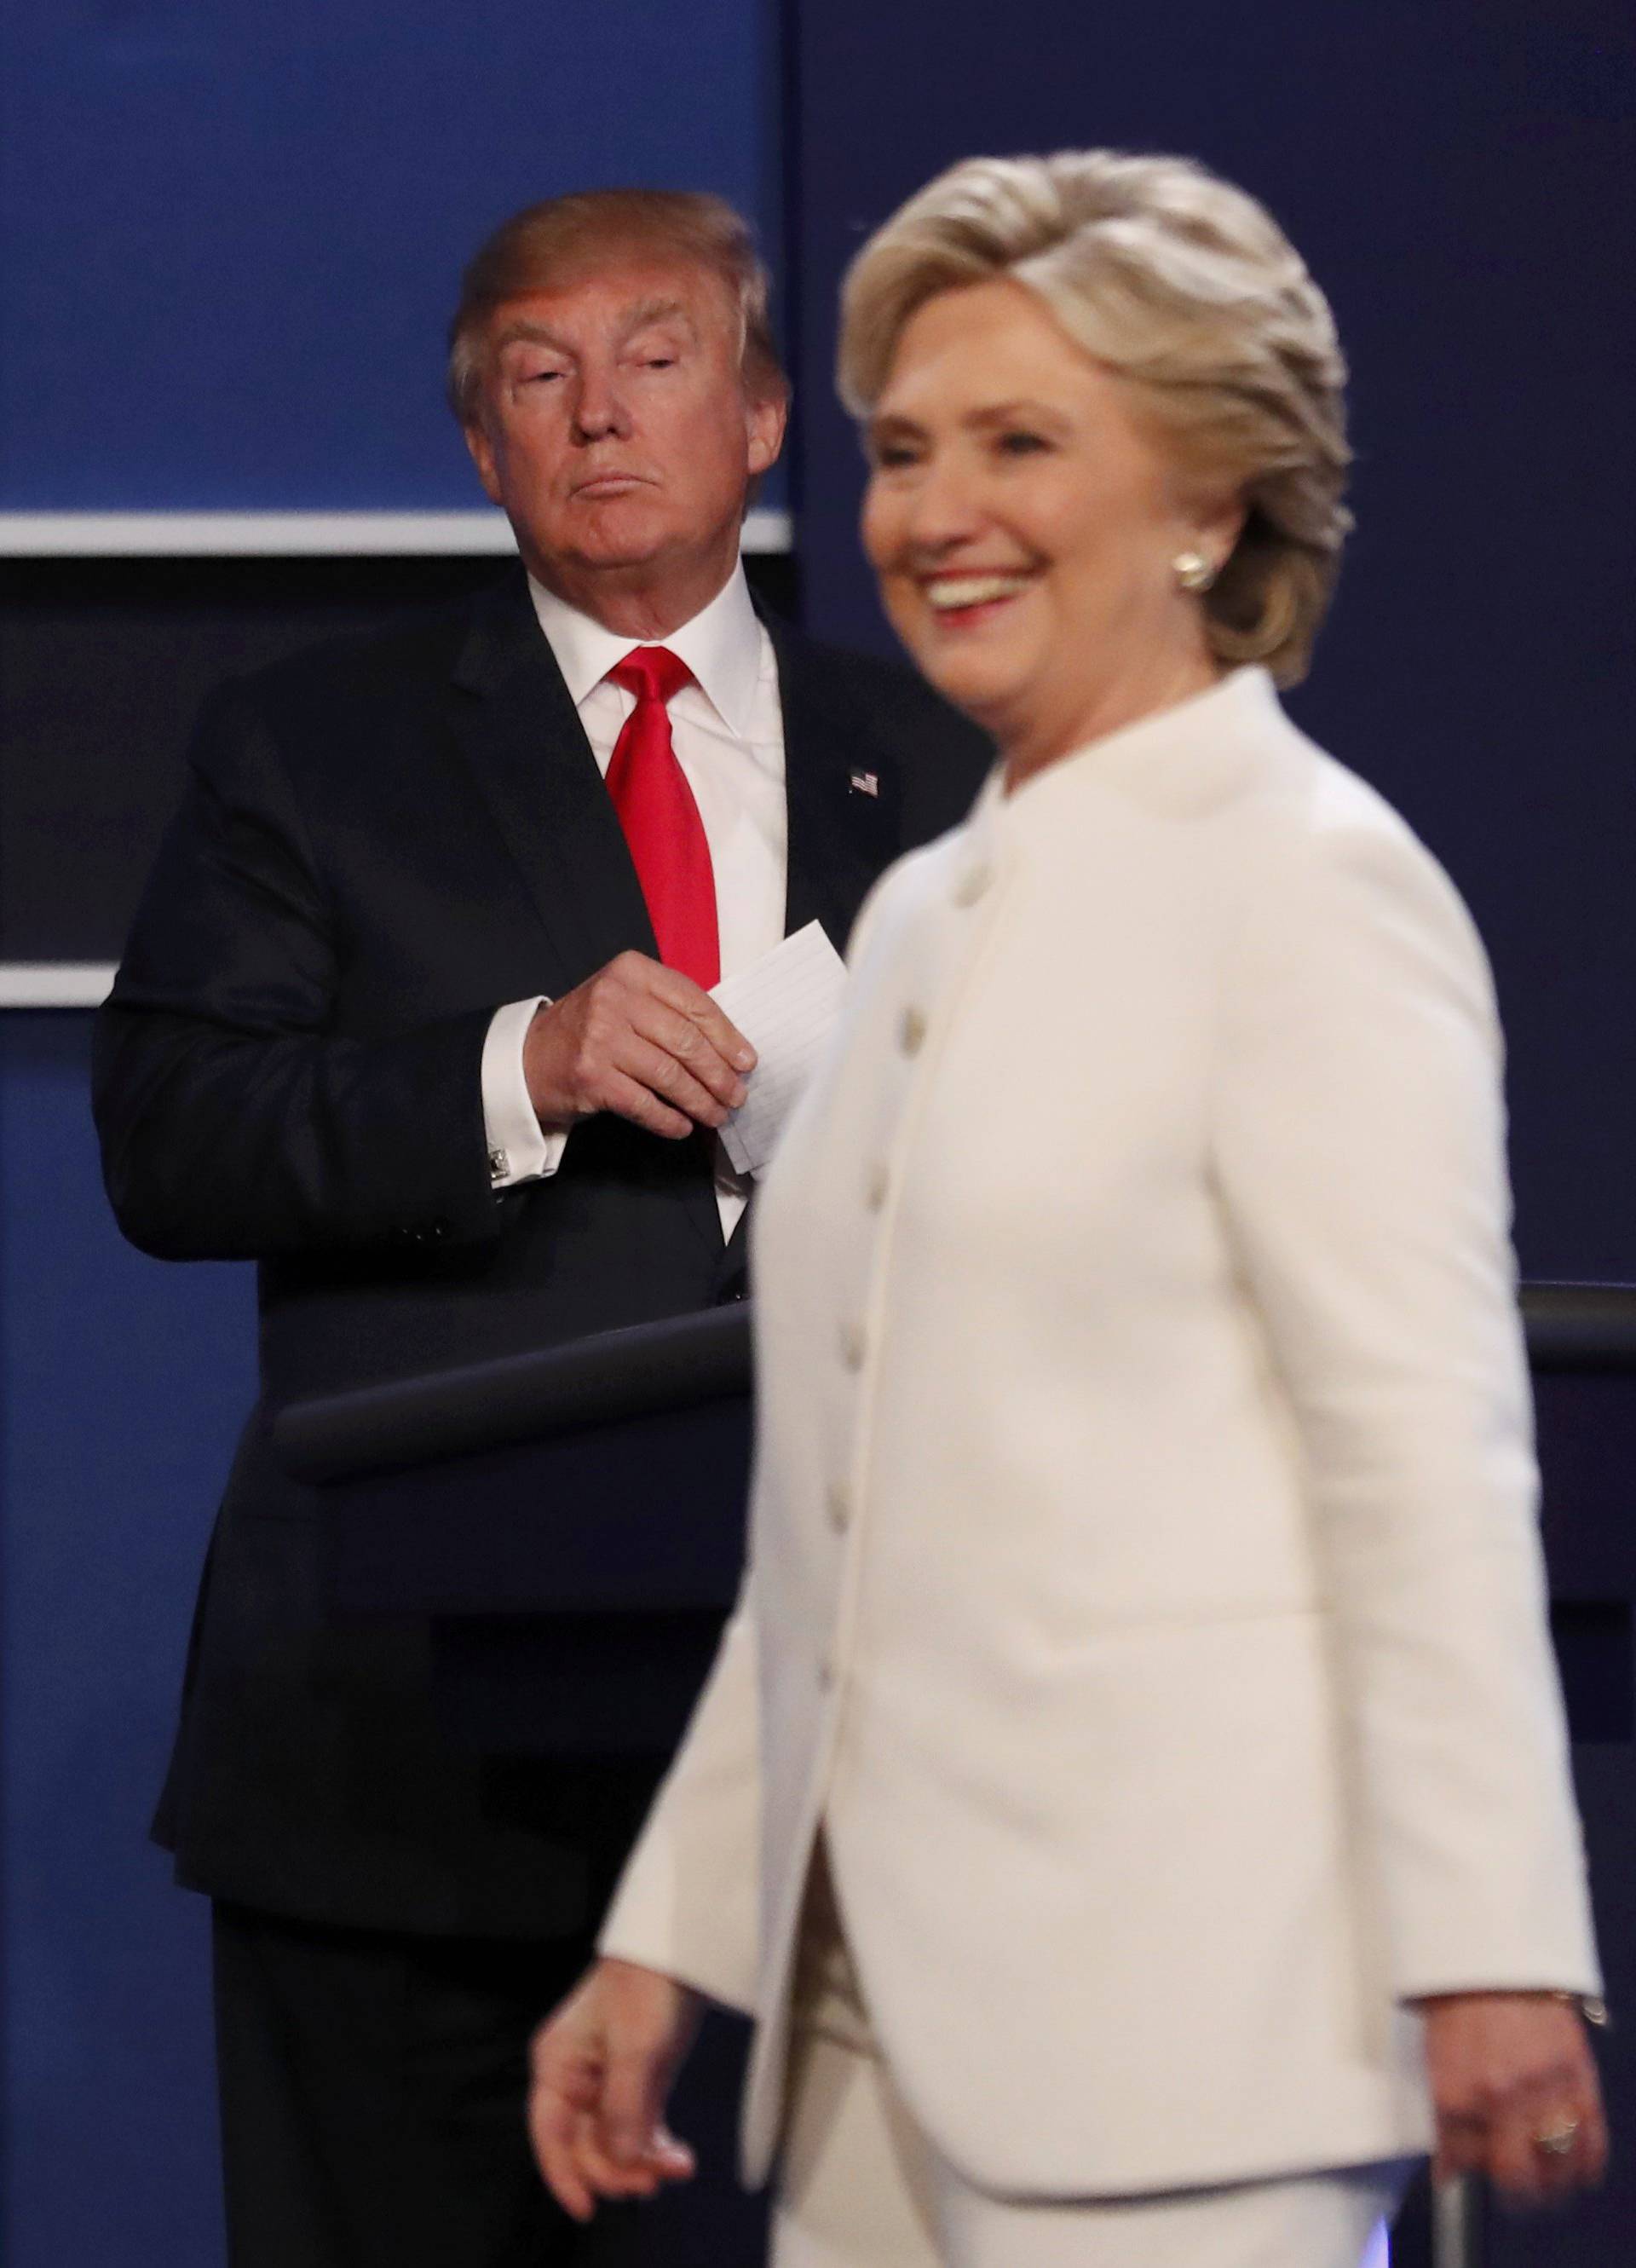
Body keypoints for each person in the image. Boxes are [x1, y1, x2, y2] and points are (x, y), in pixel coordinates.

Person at [527, 152, 1609, 2268]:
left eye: (1025, 441)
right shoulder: (929, 906)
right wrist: (671, 1937)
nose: (939, 513)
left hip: (1185, 2057)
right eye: (907, 450)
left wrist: (1491, 1939)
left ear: (1210, 497)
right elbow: (844, 1507)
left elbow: (1427, 1468)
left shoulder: (1307, 884)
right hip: (869, 2071)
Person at [92, 187, 990, 2268]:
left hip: (841, 1756)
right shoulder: (309, 748)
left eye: (657, 356)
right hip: (405, 1752)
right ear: (482, 448)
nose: (601, 415)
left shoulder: (942, 758)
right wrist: (519, 1065)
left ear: (766, 413)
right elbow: (169, 1136)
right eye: (537, 374)